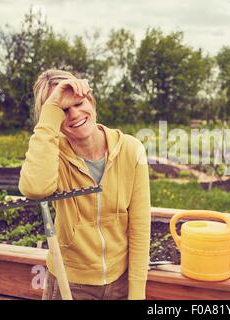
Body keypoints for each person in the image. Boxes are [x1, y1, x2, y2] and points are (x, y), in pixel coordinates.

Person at [19, 69, 151, 300]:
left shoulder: (131, 150)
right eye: (62, 110)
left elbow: (140, 226)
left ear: (91, 101)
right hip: (69, 283)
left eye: (79, 103)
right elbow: (35, 188)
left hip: (120, 283)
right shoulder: (53, 155)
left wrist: (137, 293)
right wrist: (50, 112)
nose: (74, 114)